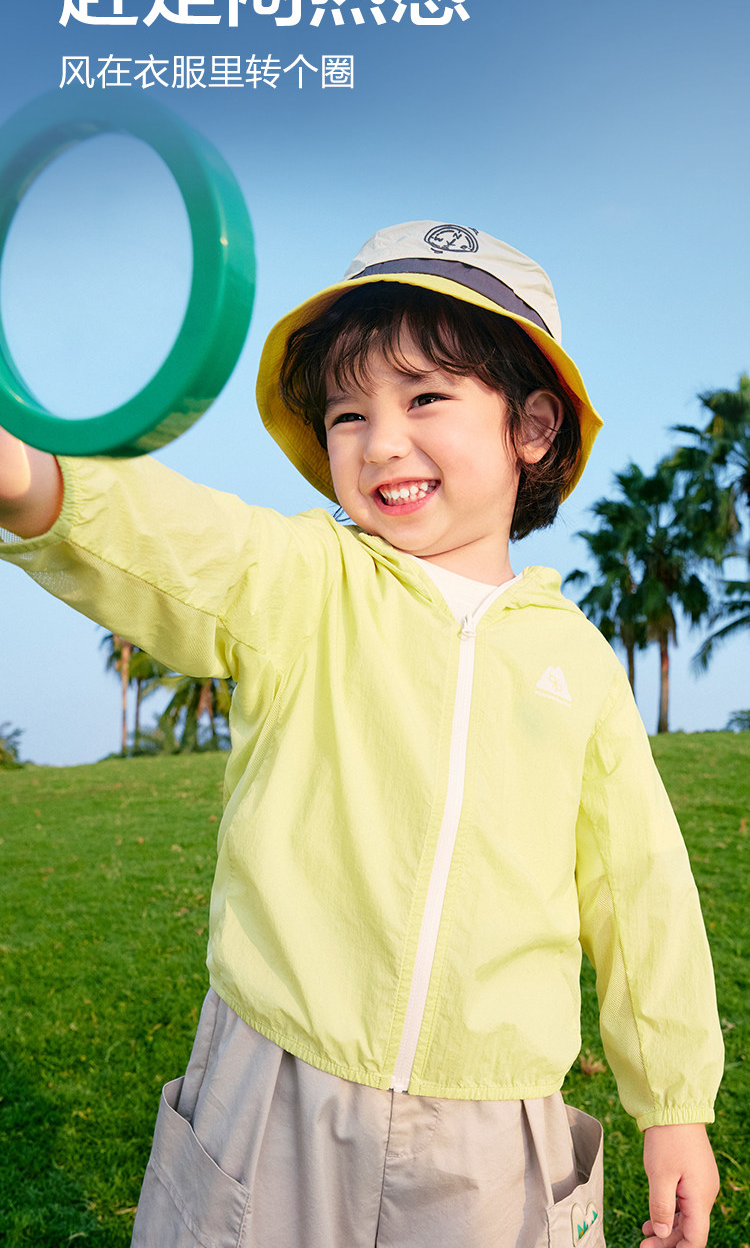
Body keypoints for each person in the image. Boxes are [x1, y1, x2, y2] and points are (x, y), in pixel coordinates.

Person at [0, 221, 723, 1248]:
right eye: (348, 413)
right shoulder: (309, 582)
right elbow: (174, 538)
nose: (380, 442)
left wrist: (675, 1106)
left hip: (492, 1131)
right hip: (273, 1088)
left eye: (425, 397)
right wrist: (26, 474)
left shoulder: (582, 667)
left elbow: (641, 895)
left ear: (533, 425)